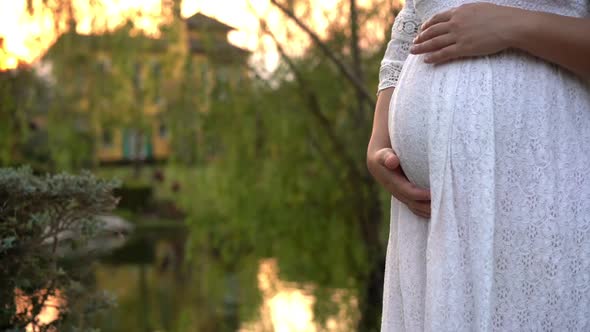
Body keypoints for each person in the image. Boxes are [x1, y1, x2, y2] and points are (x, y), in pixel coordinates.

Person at [366, 1, 590, 331]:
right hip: (425, 219)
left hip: (537, 184)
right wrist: (379, 137)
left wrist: (514, 26)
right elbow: (411, 22)